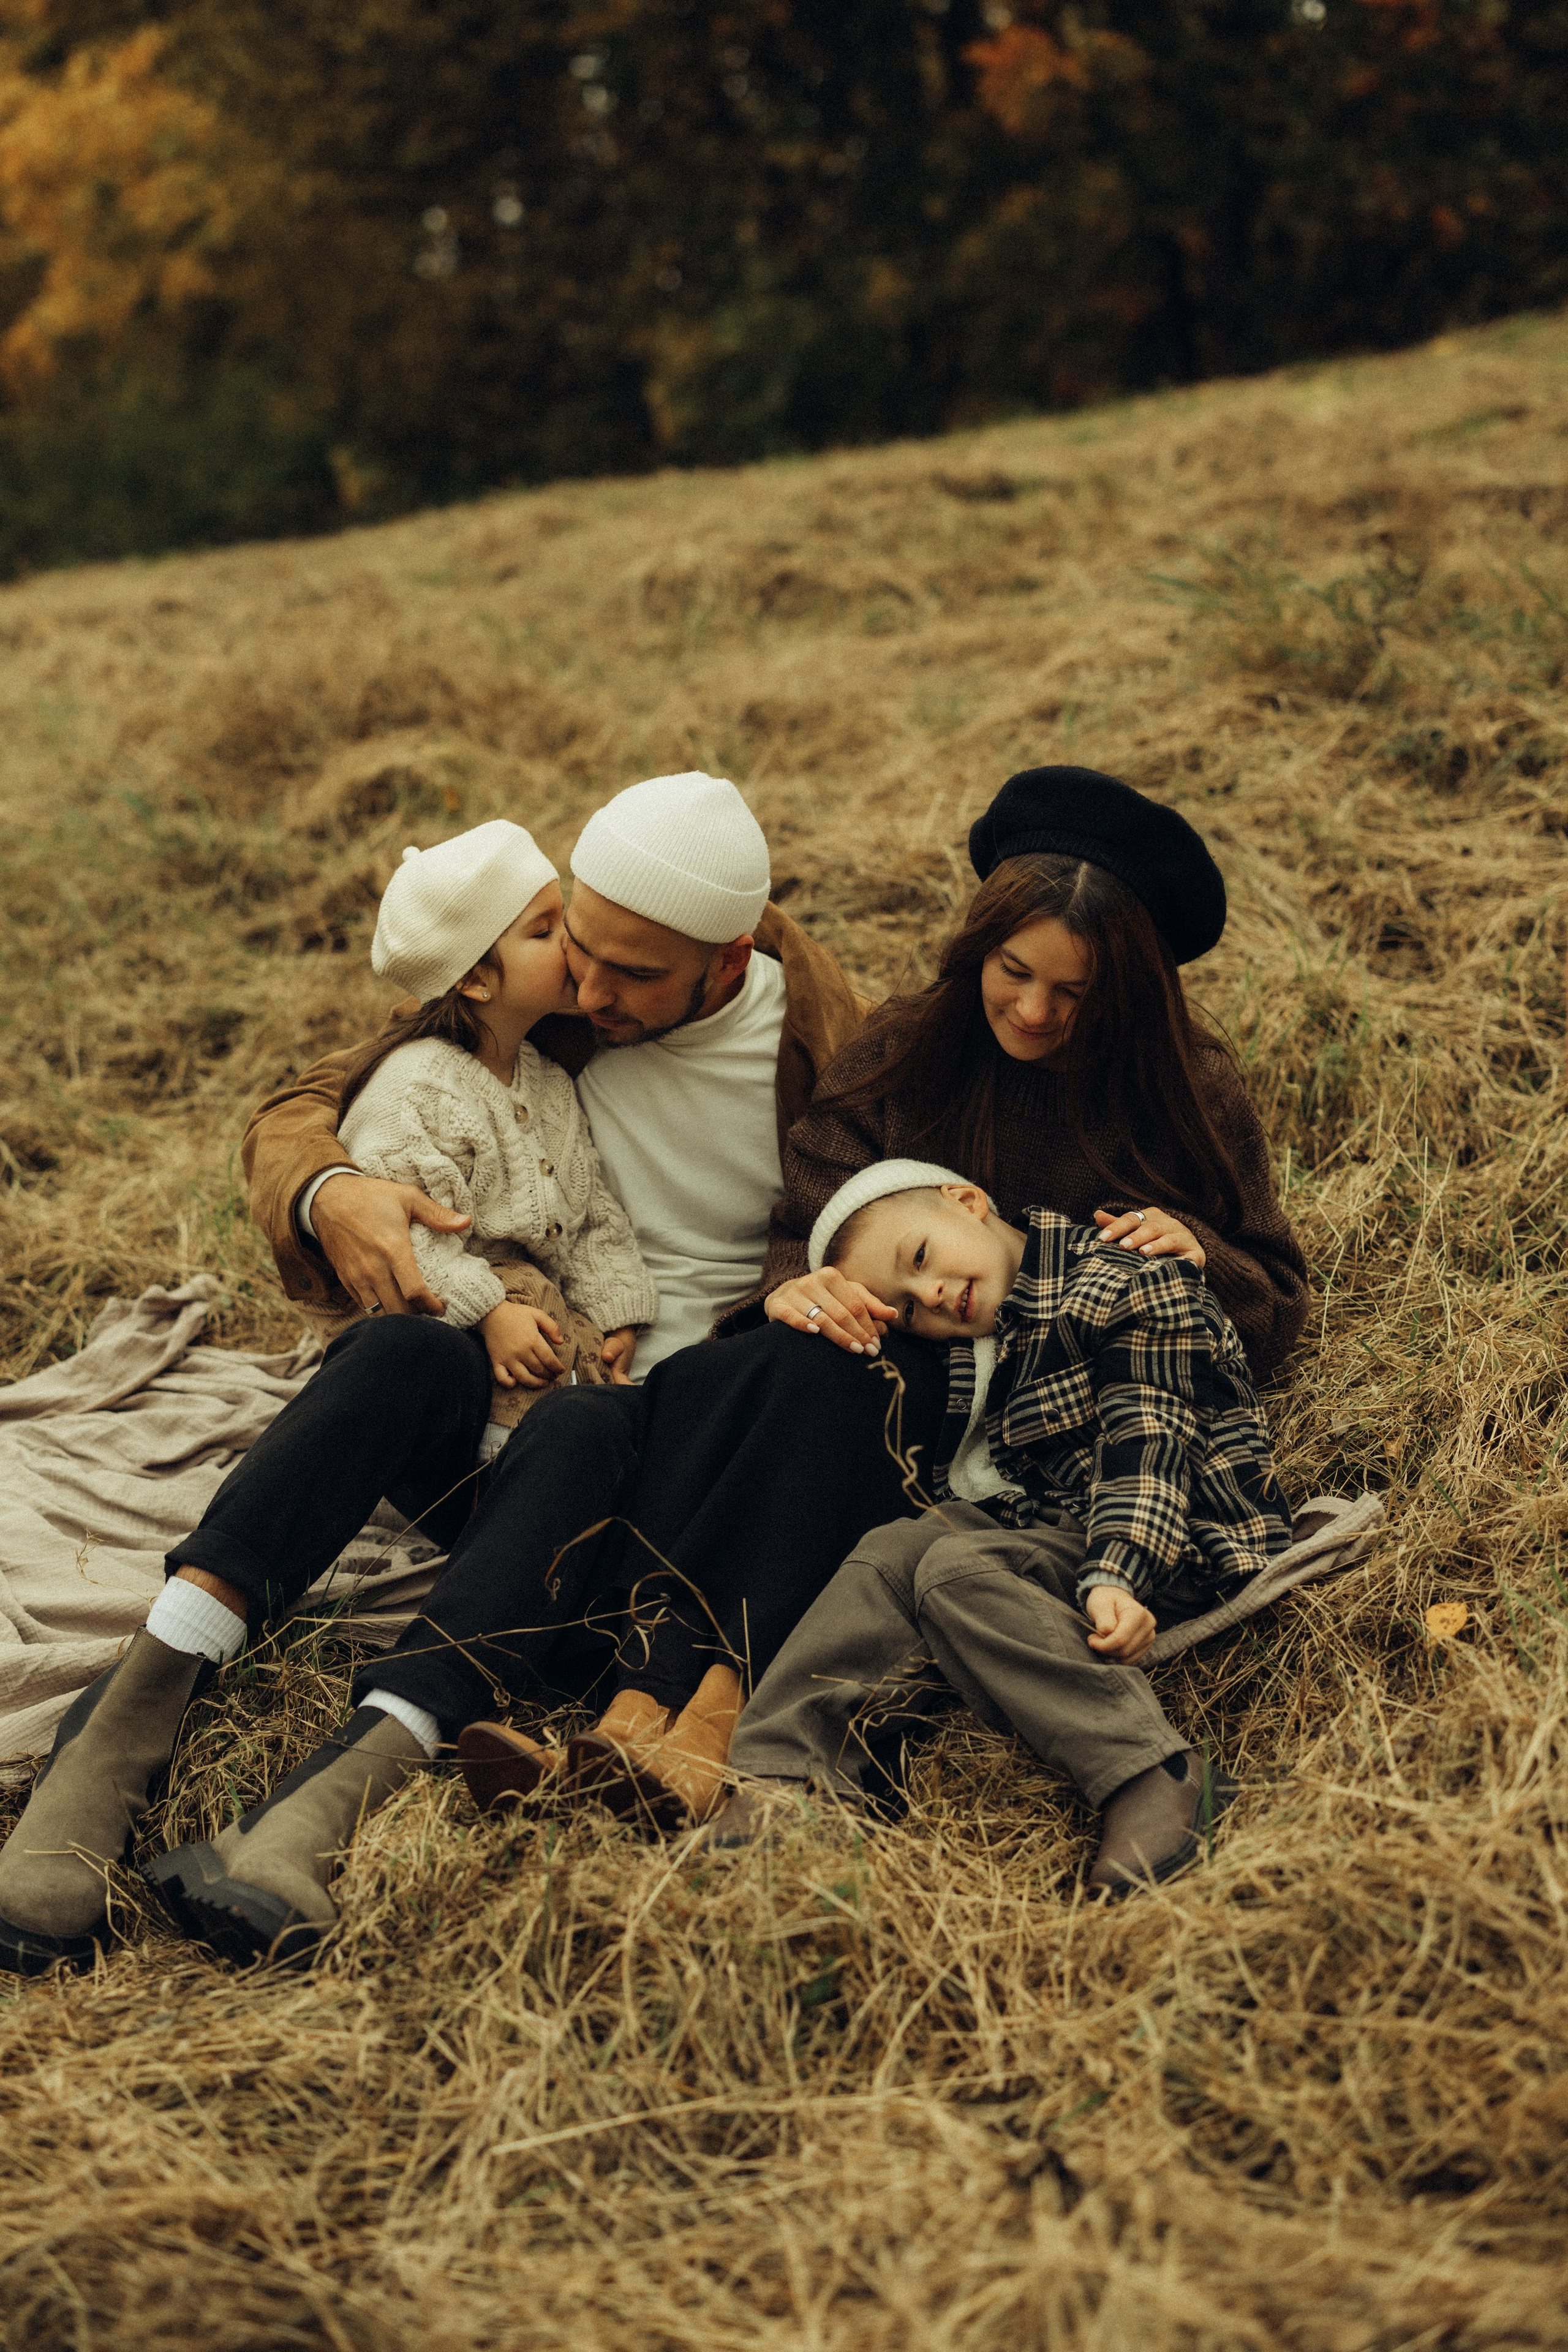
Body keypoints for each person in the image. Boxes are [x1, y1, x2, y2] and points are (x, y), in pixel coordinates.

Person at [0, 769, 889, 1976]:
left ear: (722, 962)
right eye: (573, 943)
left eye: (632, 973)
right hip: (502, 1428)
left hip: (655, 1490)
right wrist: (336, 1191)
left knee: (586, 1425)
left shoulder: (823, 1043)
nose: (591, 985)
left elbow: (928, 1218)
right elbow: (307, 1105)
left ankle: (330, 1799)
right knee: (407, 1347)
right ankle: (134, 1709)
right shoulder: (548, 1002)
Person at [701, 1160, 1293, 1890]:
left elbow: (1152, 1439)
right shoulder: (996, 1335)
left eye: (919, 1259)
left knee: (956, 1571)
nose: (932, 1297)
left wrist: (1117, 1572)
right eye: (909, 1307)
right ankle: (782, 1781)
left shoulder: (1130, 1279)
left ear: (967, 1200)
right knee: (895, 1551)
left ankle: (1150, 1770)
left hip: (1186, 1534)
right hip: (1069, 1529)